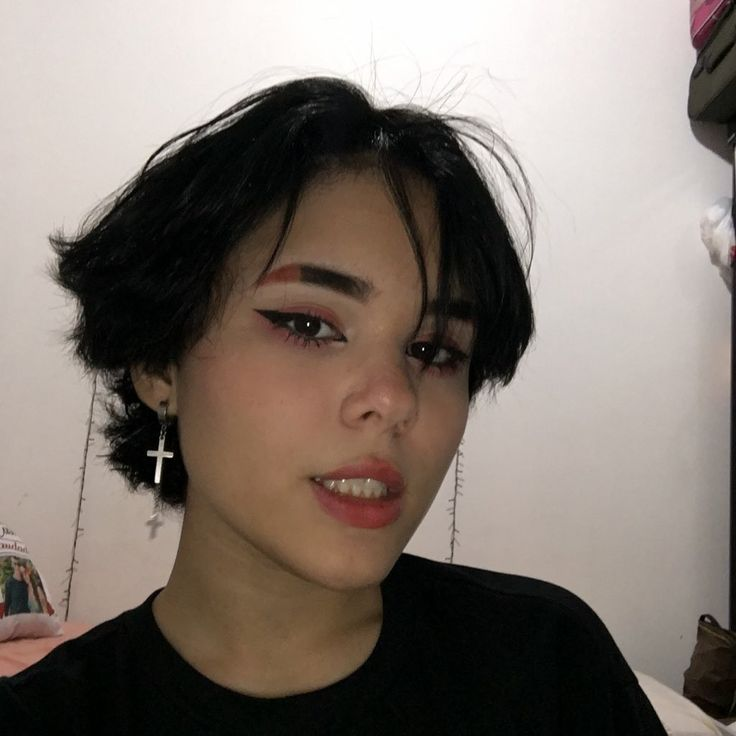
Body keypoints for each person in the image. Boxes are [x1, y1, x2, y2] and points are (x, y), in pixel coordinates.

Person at [0, 76, 666, 734]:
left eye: (434, 350)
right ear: (157, 360)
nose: (393, 399)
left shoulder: (550, 668)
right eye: (309, 325)